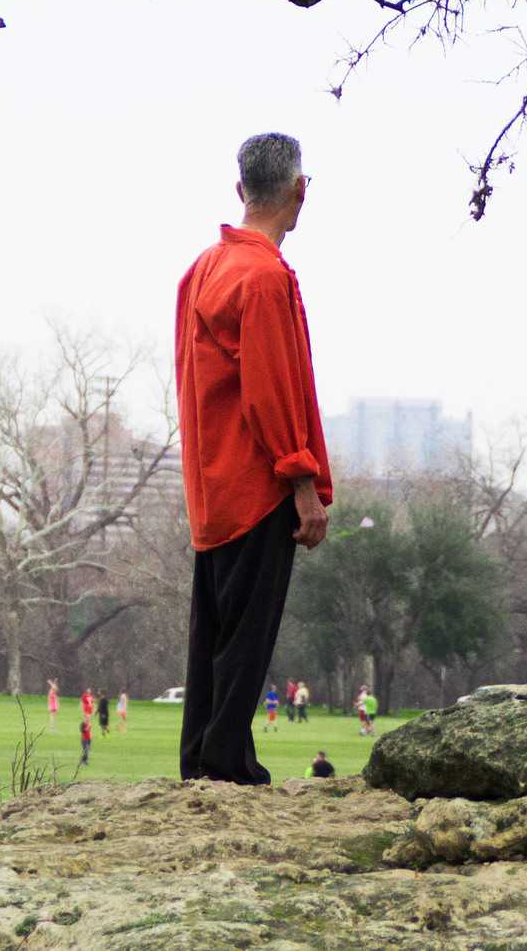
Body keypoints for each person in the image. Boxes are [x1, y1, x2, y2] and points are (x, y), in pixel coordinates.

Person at [176, 132, 333, 785]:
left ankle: (203, 757)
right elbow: (271, 391)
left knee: (215, 633)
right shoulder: (264, 277)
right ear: (300, 190)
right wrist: (302, 482)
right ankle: (227, 764)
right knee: (246, 638)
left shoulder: (203, 269)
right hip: (257, 482)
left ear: (242, 190)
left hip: (210, 485)